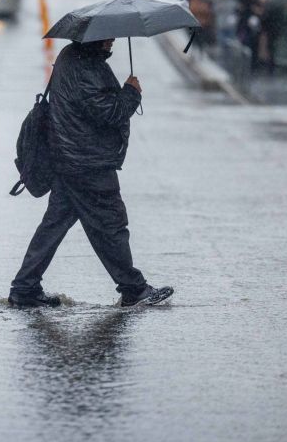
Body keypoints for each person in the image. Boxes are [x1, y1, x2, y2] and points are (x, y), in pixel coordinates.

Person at [9, 38, 173, 308]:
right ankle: (134, 288)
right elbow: (110, 113)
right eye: (108, 37)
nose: (113, 41)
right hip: (88, 162)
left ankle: (24, 287)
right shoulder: (85, 68)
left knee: (53, 226)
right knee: (111, 225)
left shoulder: (74, 57)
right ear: (93, 38)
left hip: (71, 159)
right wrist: (131, 92)